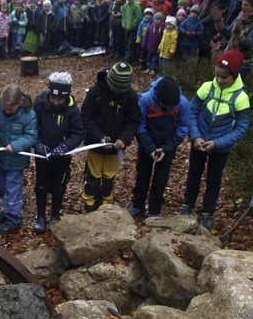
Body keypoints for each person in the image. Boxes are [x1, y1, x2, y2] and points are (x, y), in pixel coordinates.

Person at [179, 50, 250, 230]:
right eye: (217, 76)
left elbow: (241, 128)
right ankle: (187, 205)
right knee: (194, 174)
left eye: (224, 77)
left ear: (234, 75)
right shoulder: (206, 87)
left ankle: (207, 213)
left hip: (220, 147)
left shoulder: (241, 98)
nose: (219, 80)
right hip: (199, 141)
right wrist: (195, 136)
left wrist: (217, 143)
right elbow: (193, 111)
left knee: (214, 179)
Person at [81, 62, 140, 211]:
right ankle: (90, 200)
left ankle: (105, 200)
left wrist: (124, 139)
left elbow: (133, 121)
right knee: (93, 173)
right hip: (95, 142)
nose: (117, 92)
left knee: (109, 173)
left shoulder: (131, 95)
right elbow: (86, 116)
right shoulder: (95, 91)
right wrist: (99, 137)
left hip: (116, 145)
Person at [128, 77, 190, 218]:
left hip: (167, 146)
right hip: (147, 144)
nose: (168, 108)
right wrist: (149, 148)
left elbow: (183, 126)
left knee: (161, 179)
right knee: (142, 175)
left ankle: (154, 210)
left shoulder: (183, 103)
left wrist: (167, 148)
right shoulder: (145, 100)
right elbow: (139, 125)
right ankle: (137, 205)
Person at [32, 72, 85, 233]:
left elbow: (78, 133)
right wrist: (37, 143)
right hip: (42, 156)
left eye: (60, 99)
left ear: (66, 96)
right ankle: (40, 216)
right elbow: (31, 127)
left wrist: (65, 146)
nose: (56, 102)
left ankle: (55, 214)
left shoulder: (72, 111)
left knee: (59, 185)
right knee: (41, 186)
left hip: (62, 158)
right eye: (53, 98)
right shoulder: (40, 105)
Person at [0, 84, 37, 236]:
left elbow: (31, 136)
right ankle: (6, 211)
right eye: (4, 108)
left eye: (10, 110)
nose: (6, 112)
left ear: (19, 104)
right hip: (1, 157)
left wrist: (16, 145)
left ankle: (13, 218)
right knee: (0, 185)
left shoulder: (28, 115)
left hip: (17, 160)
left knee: (12, 187)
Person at [212, 0, 253, 73]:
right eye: (242, 4)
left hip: (244, 63)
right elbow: (229, 34)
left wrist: (237, 33)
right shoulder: (241, 16)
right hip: (230, 56)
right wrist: (218, 22)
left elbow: (248, 45)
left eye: (246, 5)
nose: (243, 7)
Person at [122, 0, 143, 64]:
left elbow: (139, 17)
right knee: (126, 42)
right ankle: (126, 56)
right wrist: (123, 24)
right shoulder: (125, 6)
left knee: (131, 43)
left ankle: (128, 59)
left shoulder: (136, 6)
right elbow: (123, 16)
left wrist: (133, 25)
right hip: (126, 28)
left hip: (133, 28)